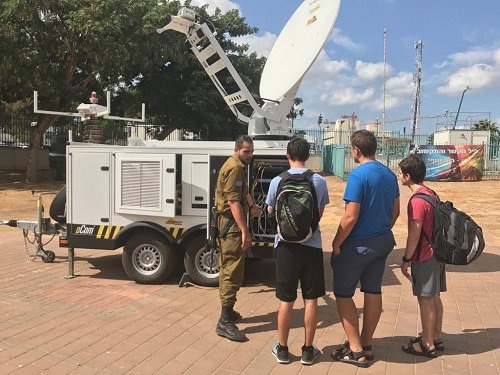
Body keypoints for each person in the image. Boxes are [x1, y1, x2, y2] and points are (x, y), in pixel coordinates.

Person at [330, 130, 400, 368]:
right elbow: (396, 212)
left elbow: (350, 216)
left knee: (343, 293)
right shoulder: (389, 175)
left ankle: (355, 350)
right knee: (372, 290)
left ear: (356, 149)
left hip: (357, 245)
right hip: (382, 242)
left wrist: (337, 242)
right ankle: (366, 343)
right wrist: (380, 229)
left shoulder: (358, 176)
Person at [266, 137, 329, 365]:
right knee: (311, 300)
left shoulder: (277, 181)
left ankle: (282, 349)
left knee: (286, 301)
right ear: (309, 155)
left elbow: (271, 211)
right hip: (311, 246)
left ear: (287, 155)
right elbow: (319, 213)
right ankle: (307, 350)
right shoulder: (319, 181)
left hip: (285, 248)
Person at [399, 156, 446, 358]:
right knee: (434, 296)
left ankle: (427, 344)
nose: (399, 176)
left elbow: (414, 233)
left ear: (408, 176)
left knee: (425, 299)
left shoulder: (417, 201)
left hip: (424, 255)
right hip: (437, 253)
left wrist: (406, 257)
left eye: (400, 173)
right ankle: (435, 336)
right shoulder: (431, 194)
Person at [215, 135, 261, 342]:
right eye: (246, 151)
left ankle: (229, 312)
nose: (250, 155)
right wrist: (245, 230)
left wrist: (252, 206)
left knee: (232, 267)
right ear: (236, 150)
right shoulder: (235, 168)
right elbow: (233, 202)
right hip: (231, 226)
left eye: (251, 151)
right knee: (231, 270)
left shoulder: (238, 166)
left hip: (231, 225)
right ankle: (225, 321)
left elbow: (243, 193)